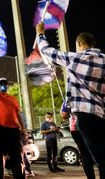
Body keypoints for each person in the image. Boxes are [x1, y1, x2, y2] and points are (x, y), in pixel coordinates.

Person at [36, 21, 104, 177]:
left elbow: (47, 51)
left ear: (79, 44)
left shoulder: (75, 58)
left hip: (85, 116)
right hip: (102, 115)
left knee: (97, 156)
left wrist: (40, 33)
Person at [61, 100, 96, 179]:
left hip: (75, 128)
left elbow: (64, 115)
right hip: (92, 126)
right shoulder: (92, 92)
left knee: (85, 154)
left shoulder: (68, 97)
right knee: (98, 151)